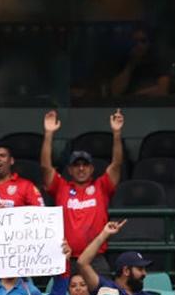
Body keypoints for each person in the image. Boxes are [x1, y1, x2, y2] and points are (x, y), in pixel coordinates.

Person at [40, 108, 124, 266]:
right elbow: (45, 167)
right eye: (76, 165)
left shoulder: (102, 186)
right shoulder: (61, 187)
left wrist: (117, 134)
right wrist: (48, 134)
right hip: (65, 257)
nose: (81, 169)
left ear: (92, 169)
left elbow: (117, 164)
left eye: (85, 165)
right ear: (69, 170)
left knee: (103, 292)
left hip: (96, 258)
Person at [75, 222, 157, 295]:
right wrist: (104, 234)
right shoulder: (105, 289)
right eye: (140, 269)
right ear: (126, 271)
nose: (145, 274)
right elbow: (82, 263)